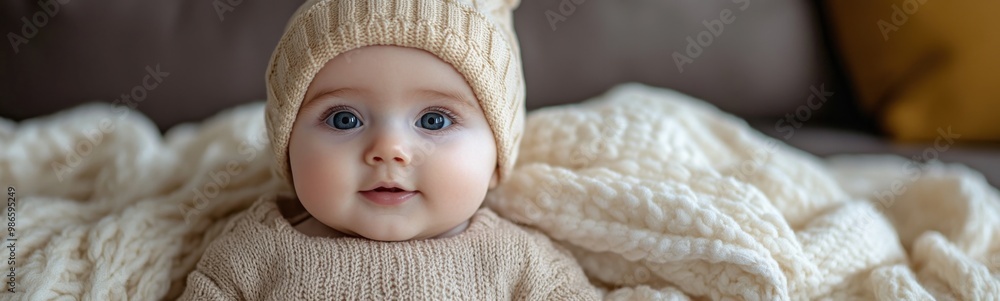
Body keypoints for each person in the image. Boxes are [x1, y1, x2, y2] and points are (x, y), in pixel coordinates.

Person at [179, 0, 600, 299]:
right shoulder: (253, 255)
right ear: (287, 148)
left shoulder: (523, 263)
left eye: (434, 120)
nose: (389, 150)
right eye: (344, 119)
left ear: (495, 158)